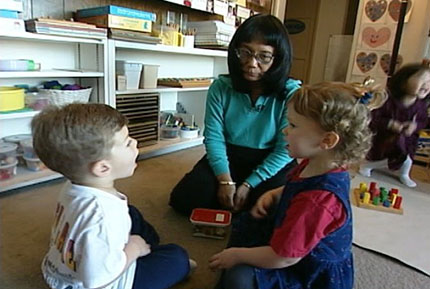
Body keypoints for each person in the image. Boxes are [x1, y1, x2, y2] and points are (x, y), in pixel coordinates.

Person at [209, 82, 381, 289]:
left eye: (293, 125)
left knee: (239, 276)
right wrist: (276, 194)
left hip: (307, 271)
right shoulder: (317, 164)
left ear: (327, 140)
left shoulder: (317, 201)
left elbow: (284, 257)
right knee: (246, 225)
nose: (284, 131)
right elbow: (300, 186)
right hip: (297, 247)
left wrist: (237, 256)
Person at [34, 103, 193, 289]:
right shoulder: (103, 216)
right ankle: (150, 251)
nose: (135, 143)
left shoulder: (73, 185)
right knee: (177, 257)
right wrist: (133, 249)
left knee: (131, 213)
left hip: (61, 270)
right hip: (103, 282)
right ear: (103, 168)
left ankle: (147, 247)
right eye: (127, 142)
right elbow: (97, 281)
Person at [169, 14, 301, 216]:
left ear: (278, 59)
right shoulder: (221, 87)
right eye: (245, 53)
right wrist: (225, 180)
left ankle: (240, 199)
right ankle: (235, 200)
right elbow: (214, 137)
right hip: (230, 154)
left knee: (279, 206)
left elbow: (284, 150)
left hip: (270, 158)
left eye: (263, 57)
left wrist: (249, 184)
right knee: (184, 199)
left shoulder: (291, 92)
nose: (251, 63)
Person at [359, 63, 430, 187]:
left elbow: (423, 121)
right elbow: (373, 117)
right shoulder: (387, 100)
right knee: (392, 155)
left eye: (429, 81)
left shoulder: (421, 106)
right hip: (384, 139)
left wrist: (414, 126)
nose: (426, 85)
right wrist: (390, 124)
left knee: (406, 159)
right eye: (422, 80)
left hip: (408, 141)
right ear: (404, 81)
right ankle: (368, 166)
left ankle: (404, 174)